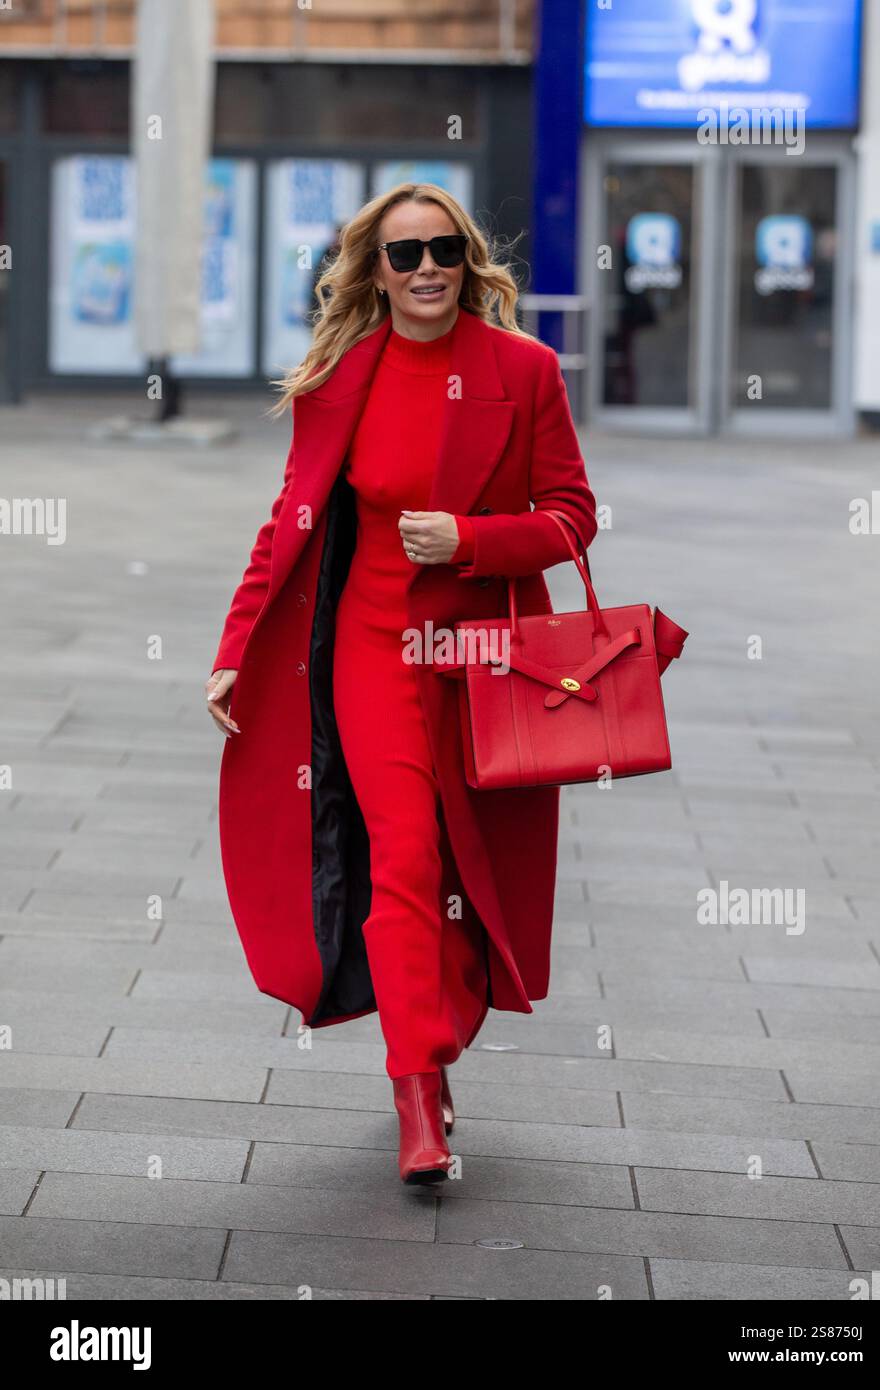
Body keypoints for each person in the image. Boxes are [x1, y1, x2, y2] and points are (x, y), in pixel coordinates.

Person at [206, 182, 598, 1186]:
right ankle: (415, 1092)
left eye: (442, 252)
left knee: (469, 873)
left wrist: (470, 539)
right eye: (403, 254)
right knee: (405, 856)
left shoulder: (525, 370)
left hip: (483, 659)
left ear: (468, 262)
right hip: (371, 653)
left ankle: (438, 1024)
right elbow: (289, 520)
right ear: (373, 273)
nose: (426, 269)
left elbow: (570, 516)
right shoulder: (341, 378)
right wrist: (234, 644)